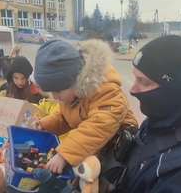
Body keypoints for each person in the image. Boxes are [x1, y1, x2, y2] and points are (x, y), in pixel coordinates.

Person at [120, 35, 181, 192]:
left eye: (144, 82)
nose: (132, 89)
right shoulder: (161, 118)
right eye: (135, 78)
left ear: (174, 90)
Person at [34, 39, 138, 174]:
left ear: (74, 80)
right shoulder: (73, 94)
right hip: (93, 150)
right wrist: (46, 126)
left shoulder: (106, 89)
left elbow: (99, 126)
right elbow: (65, 115)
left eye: (58, 91)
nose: (55, 97)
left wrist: (65, 154)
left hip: (117, 154)